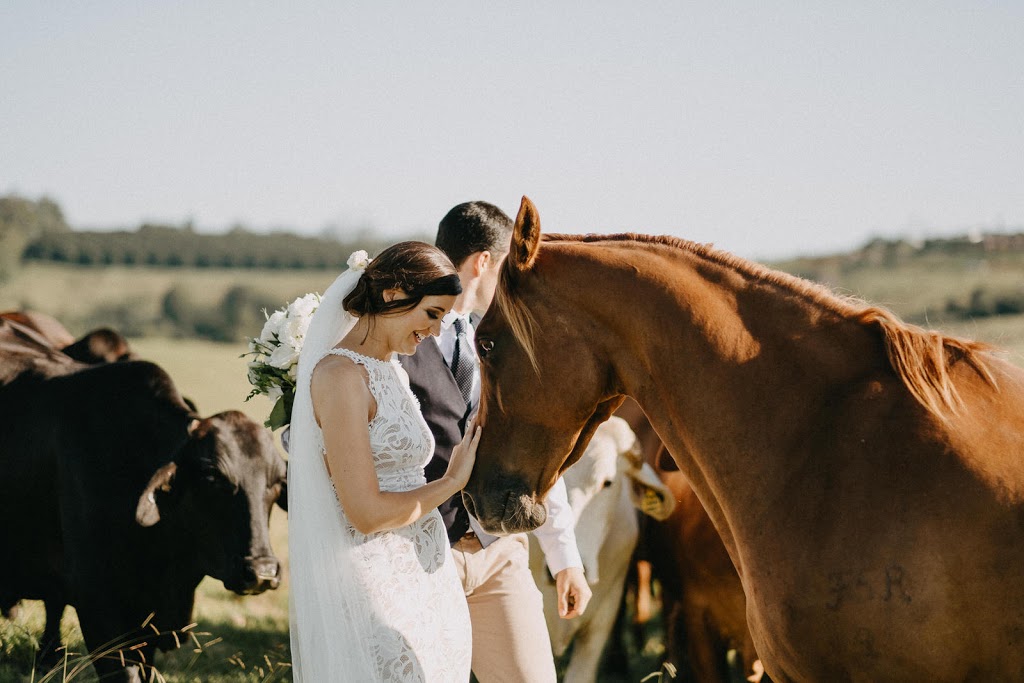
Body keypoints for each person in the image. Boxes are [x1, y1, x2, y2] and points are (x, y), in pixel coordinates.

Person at [402, 201, 593, 683]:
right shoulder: (398, 340)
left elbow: (536, 455)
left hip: (500, 557)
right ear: (484, 262)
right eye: (510, 268)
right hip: (418, 558)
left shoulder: (511, 347)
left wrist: (564, 558)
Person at [287, 241, 480, 682]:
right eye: (431, 314)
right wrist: (451, 483)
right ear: (393, 294)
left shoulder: (391, 369)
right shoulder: (339, 377)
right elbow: (366, 513)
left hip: (425, 570)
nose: (435, 332)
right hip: (373, 577)